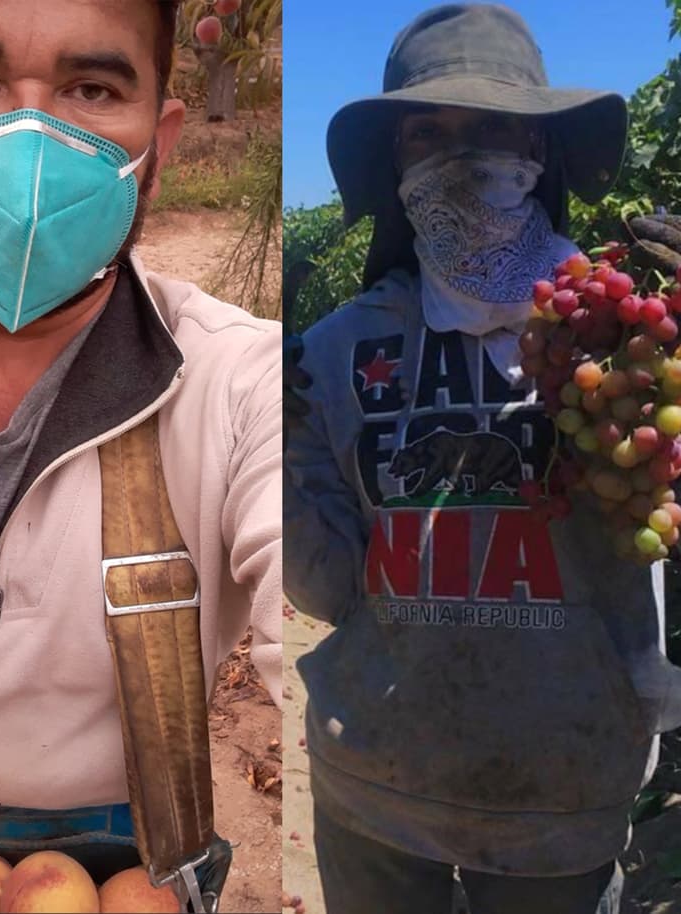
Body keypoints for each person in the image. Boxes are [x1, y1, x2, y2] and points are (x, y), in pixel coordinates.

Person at [0, 0, 282, 904]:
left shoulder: (243, 385)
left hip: (120, 863)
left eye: (93, 88)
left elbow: (337, 646)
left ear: (161, 140)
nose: (29, 140)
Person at [284, 5, 681, 913]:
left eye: (495, 127)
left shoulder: (629, 339)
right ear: (397, 164)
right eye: (432, 131)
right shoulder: (332, 354)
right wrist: (273, 442)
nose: (464, 153)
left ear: (540, 151)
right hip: (376, 788)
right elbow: (327, 585)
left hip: (567, 797)